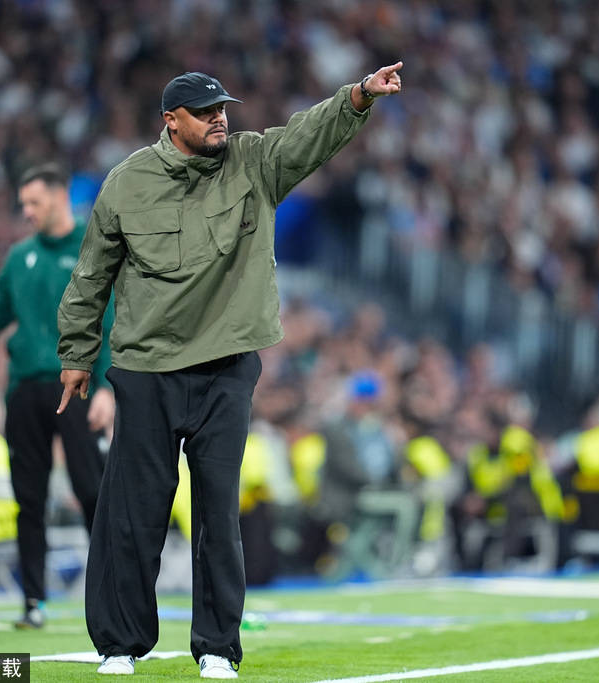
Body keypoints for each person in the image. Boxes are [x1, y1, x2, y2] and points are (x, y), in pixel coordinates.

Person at [56, 64, 404, 678]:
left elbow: (305, 136)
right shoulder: (127, 182)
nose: (220, 118)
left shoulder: (253, 161)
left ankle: (217, 647)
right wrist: (77, 355)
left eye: (222, 108)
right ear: (171, 121)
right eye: (205, 112)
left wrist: (355, 98)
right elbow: (91, 274)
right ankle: (119, 644)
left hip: (225, 366)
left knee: (219, 511)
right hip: (147, 366)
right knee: (134, 511)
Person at [0, 163, 114, 629]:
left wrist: (107, 387)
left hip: (78, 384)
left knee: (91, 490)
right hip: (24, 389)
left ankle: (112, 596)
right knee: (28, 498)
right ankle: (32, 603)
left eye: (34, 202)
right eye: (24, 204)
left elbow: (108, 319)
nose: (27, 211)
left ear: (60, 198)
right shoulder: (19, 257)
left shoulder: (91, 247)